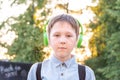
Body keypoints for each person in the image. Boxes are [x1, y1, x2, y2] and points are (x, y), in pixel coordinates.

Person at [27, 14, 96, 80]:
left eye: (68, 36)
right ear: (48, 39)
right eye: (57, 35)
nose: (62, 41)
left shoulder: (87, 73)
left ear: (77, 40)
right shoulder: (36, 70)